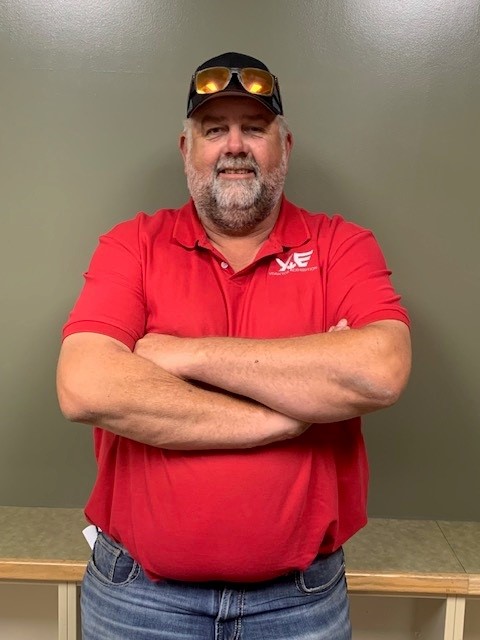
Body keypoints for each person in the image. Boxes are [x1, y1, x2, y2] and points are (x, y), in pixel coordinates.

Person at [57, 51, 411, 640]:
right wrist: (281, 417)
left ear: (285, 146)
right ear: (186, 149)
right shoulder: (132, 245)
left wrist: (182, 353)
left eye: (255, 128)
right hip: (140, 602)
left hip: (299, 605)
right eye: (214, 129)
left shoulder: (340, 245)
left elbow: (380, 371)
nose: (235, 146)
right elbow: (85, 386)